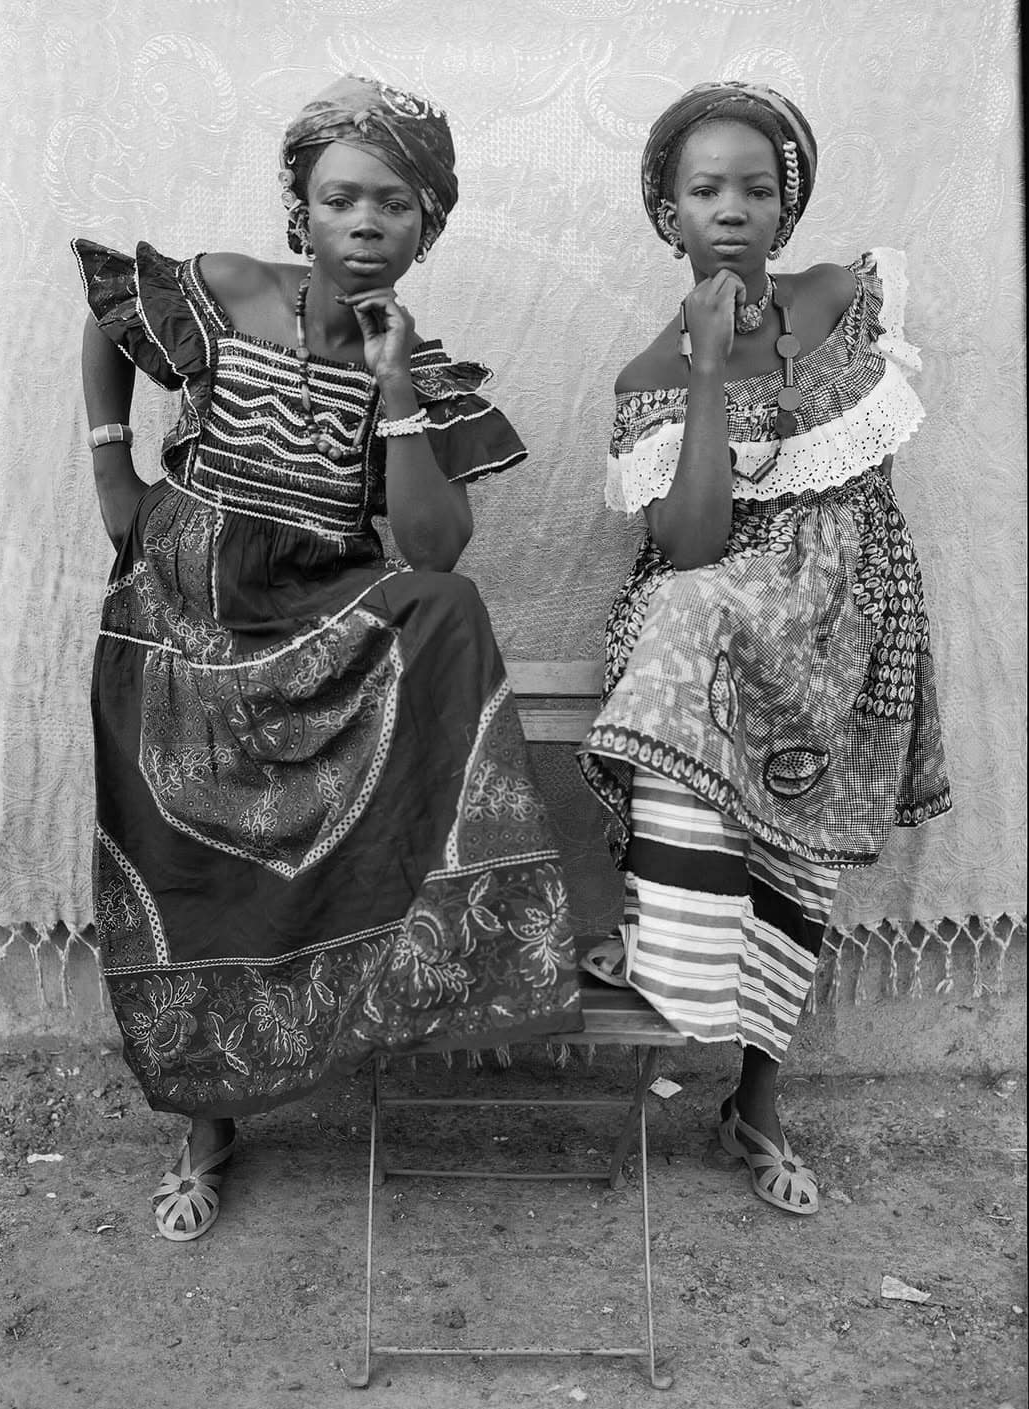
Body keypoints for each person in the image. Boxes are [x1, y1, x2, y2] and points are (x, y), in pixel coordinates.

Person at [72, 75, 583, 1241]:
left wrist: (395, 388)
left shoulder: (417, 366)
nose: (366, 223)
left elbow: (436, 549)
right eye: (342, 198)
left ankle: (409, 990)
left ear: (428, 225)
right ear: (299, 208)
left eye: (395, 204)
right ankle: (204, 1123)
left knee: (447, 610)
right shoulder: (225, 287)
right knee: (189, 869)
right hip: (179, 620)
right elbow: (108, 322)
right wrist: (113, 469)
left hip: (314, 619)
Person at [577, 81, 950, 1215]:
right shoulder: (652, 375)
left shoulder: (847, 300)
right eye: (706, 191)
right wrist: (704, 366)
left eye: (754, 188)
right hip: (713, 627)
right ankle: (669, 946)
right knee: (693, 622)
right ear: (669, 214)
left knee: (800, 854)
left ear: (787, 208)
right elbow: (691, 545)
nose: (731, 209)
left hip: (844, 621)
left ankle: (757, 1100)